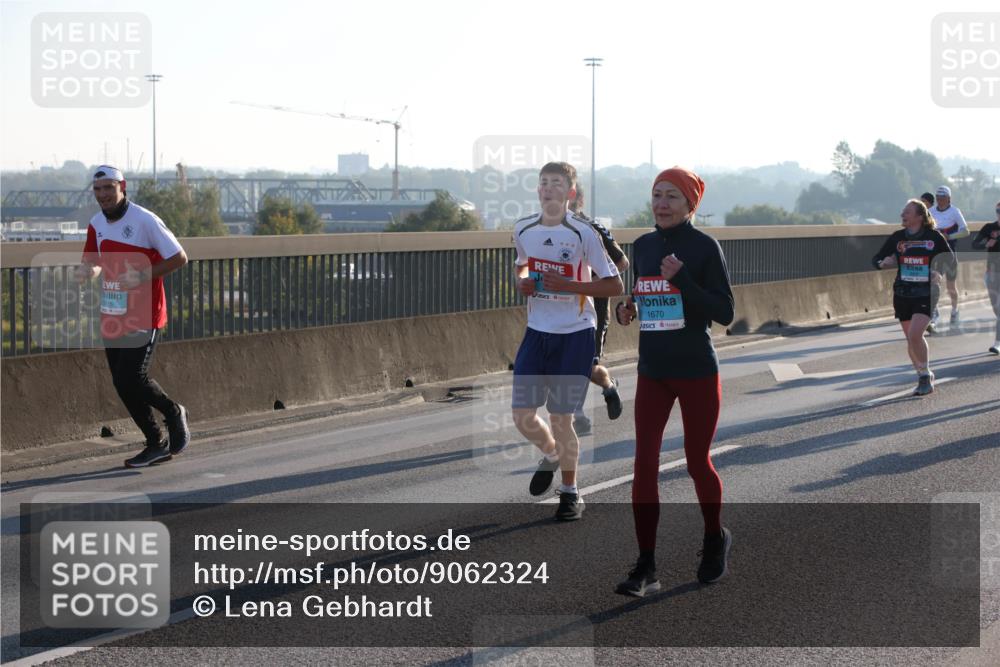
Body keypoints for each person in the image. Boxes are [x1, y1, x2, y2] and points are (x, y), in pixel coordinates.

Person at [613, 167, 735, 596]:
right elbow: (641, 294)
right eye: (657, 195)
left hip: (697, 370)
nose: (661, 204)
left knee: (696, 460)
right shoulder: (643, 245)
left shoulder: (704, 247)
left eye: (672, 197)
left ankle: (714, 538)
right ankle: (646, 565)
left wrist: (682, 278)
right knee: (643, 465)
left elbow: (724, 312)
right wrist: (625, 310)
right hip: (654, 371)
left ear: (689, 205)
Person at [514, 162, 623, 521]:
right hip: (537, 332)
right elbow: (522, 267)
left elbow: (614, 285)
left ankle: (571, 492)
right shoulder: (523, 228)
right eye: (543, 183)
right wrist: (523, 282)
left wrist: (573, 286)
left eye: (556, 184)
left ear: (570, 193)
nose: (548, 189)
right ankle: (550, 453)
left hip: (575, 334)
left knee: (561, 419)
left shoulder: (583, 233)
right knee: (523, 417)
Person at [76, 165, 191, 468]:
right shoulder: (96, 223)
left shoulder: (144, 220)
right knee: (121, 382)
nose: (102, 195)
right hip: (113, 312)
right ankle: (155, 443)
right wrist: (87, 272)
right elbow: (94, 261)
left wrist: (141, 275)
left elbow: (179, 257)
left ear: (122, 187)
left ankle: (173, 411)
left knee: (133, 376)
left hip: (145, 312)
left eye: (108, 188)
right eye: (98, 189)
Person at [872, 198, 955, 395]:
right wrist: (884, 263)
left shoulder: (933, 237)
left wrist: (939, 273)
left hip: (926, 292)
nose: (902, 215)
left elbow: (949, 259)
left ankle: (925, 375)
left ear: (919, 216)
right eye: (903, 212)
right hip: (903, 292)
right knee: (911, 340)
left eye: (907, 212)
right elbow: (876, 259)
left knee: (915, 334)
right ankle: (921, 374)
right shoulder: (897, 238)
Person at [567, 185, 629, 435]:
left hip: (594, 309)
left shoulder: (592, 228)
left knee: (585, 363)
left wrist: (591, 278)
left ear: (577, 199)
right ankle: (605, 388)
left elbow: (622, 262)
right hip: (560, 311)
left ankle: (582, 411)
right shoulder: (544, 231)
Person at [928, 185, 969, 328]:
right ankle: (934, 313)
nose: (940, 200)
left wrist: (949, 236)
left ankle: (954, 310)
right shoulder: (930, 211)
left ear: (949, 198)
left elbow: (966, 231)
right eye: (938, 198)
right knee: (934, 282)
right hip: (934, 253)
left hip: (950, 253)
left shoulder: (955, 212)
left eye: (943, 198)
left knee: (951, 287)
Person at [971, 200, 1000, 355]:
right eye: (998, 211)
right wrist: (986, 244)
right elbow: (974, 244)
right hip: (992, 273)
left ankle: (997, 343)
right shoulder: (990, 228)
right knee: (996, 309)